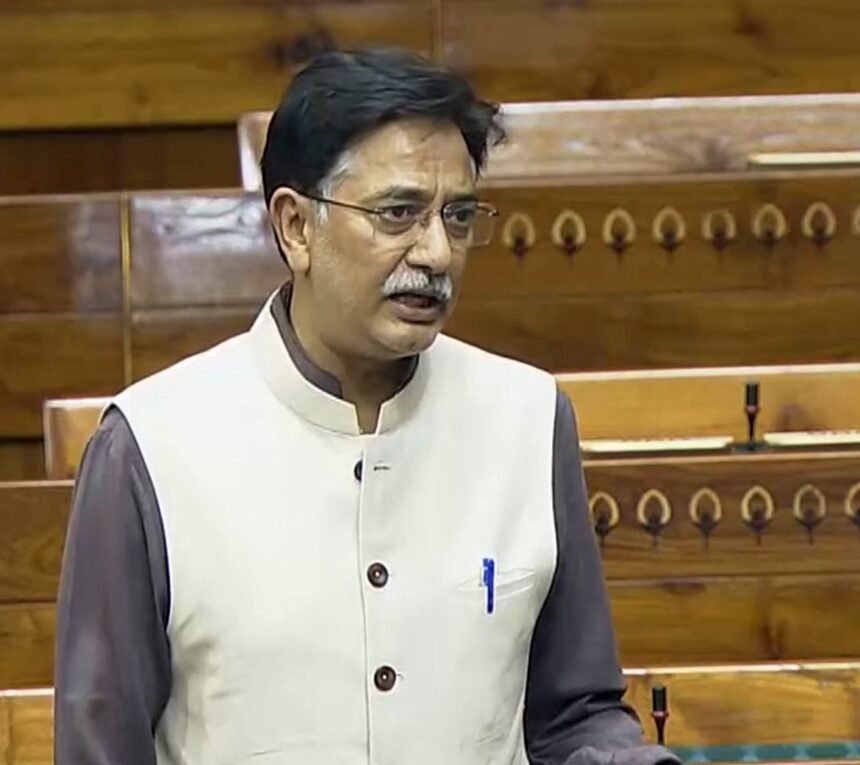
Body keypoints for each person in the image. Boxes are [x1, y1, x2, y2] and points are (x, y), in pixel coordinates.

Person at [54, 48, 680, 765]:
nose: (436, 253)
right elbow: (101, 748)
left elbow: (573, 715)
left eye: (458, 216)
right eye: (398, 214)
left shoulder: (528, 419)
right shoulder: (151, 447)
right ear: (295, 227)